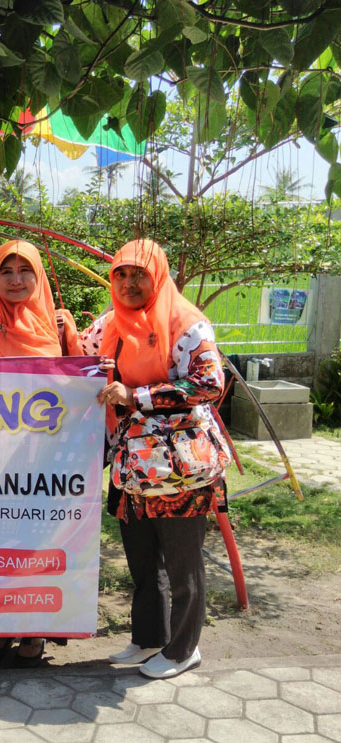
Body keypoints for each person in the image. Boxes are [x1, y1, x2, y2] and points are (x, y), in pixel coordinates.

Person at [84, 238, 229, 680]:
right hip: (131, 464)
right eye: (121, 274)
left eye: (139, 275)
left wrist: (138, 395)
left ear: (158, 276)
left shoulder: (187, 323)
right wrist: (62, 330)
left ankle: (184, 649)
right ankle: (150, 638)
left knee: (183, 562)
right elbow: (81, 357)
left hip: (178, 467)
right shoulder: (110, 322)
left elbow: (209, 383)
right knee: (142, 558)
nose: (129, 283)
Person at [0, 239, 79, 666]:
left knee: (38, 537)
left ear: (38, 275)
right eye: (5, 272)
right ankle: (2, 621)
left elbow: (81, 383)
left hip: (46, 453)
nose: (15, 280)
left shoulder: (59, 324)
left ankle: (35, 628)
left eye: (24, 270)